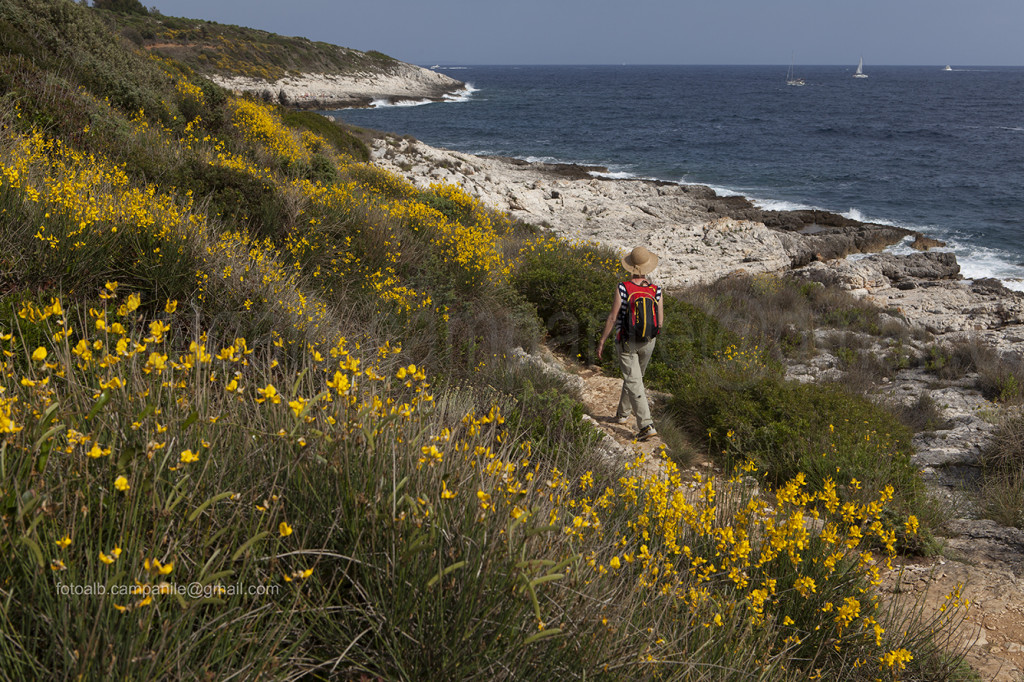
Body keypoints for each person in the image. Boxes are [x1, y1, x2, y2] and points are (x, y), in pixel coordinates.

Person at [597, 246, 664, 442]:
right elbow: (660, 321)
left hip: (626, 341)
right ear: (646, 267)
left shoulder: (623, 288)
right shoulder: (656, 290)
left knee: (634, 381)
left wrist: (602, 341)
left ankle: (646, 425)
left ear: (631, 266)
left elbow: (612, 317)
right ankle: (623, 415)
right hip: (649, 341)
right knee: (635, 379)